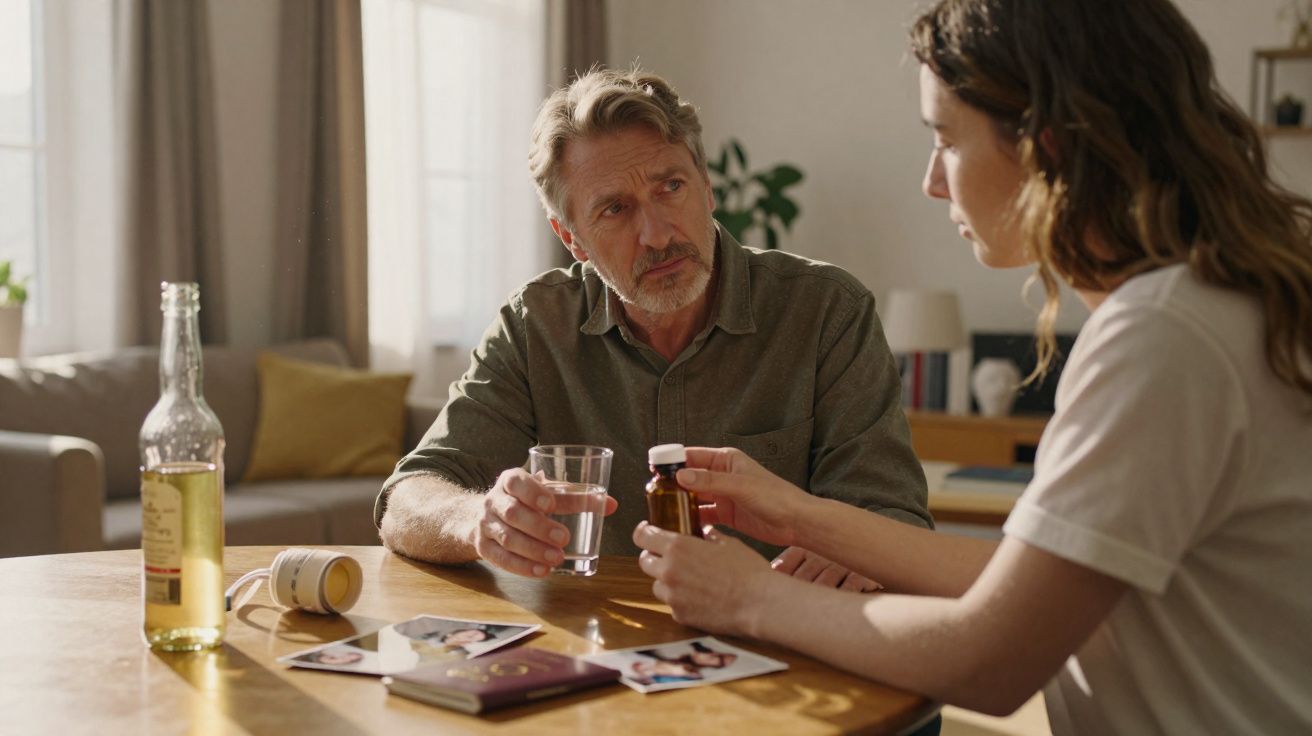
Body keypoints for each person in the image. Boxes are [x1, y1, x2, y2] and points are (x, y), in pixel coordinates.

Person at [632, 1, 1312, 733]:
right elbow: (1024, 585)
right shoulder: (1214, 303)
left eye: (946, 141)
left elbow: (991, 660)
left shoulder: (1163, 338)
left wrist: (746, 598)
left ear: (1045, 145)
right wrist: (796, 514)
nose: (932, 181)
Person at [374, 66, 930, 584]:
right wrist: (479, 520)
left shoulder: (827, 311)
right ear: (572, 238)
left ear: (707, 188)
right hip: (599, 646)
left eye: (671, 187)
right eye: (614, 209)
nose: (658, 234)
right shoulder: (535, 325)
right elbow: (407, 498)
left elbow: (893, 516)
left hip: (783, 642)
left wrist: (852, 552)